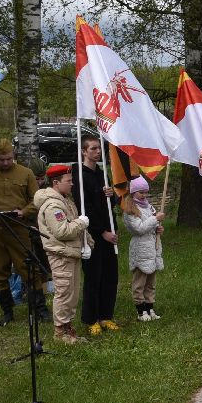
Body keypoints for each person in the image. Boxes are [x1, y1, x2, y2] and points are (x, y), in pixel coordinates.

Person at [0, 140, 44, 323]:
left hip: (18, 227)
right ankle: (7, 310)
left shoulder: (26, 173)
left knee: (28, 267)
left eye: (9, 159)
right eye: (1, 159)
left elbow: (37, 199)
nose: (5, 163)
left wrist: (24, 212)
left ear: (14, 156)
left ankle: (40, 308)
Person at [36, 164, 91, 344]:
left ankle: (67, 327)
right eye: (68, 181)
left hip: (70, 252)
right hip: (60, 254)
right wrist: (81, 223)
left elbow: (73, 224)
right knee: (64, 292)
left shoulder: (65, 201)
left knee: (72, 293)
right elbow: (62, 231)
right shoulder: (53, 205)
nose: (72, 184)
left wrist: (88, 243)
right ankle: (60, 332)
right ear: (56, 182)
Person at [78, 137, 120, 335]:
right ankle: (91, 318)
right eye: (93, 149)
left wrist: (111, 196)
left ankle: (106, 316)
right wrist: (102, 232)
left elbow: (110, 205)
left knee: (110, 276)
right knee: (94, 276)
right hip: (93, 235)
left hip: (109, 232)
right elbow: (85, 208)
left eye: (98, 148)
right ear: (84, 151)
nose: (97, 152)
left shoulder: (102, 174)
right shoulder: (80, 176)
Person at [122, 176, 164, 321]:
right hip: (140, 250)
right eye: (141, 192)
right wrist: (155, 219)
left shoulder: (149, 207)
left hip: (152, 248)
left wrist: (158, 229)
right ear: (133, 192)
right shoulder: (130, 210)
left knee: (151, 283)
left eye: (146, 192)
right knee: (139, 283)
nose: (144, 195)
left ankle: (150, 308)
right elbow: (139, 229)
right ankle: (141, 312)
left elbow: (151, 226)